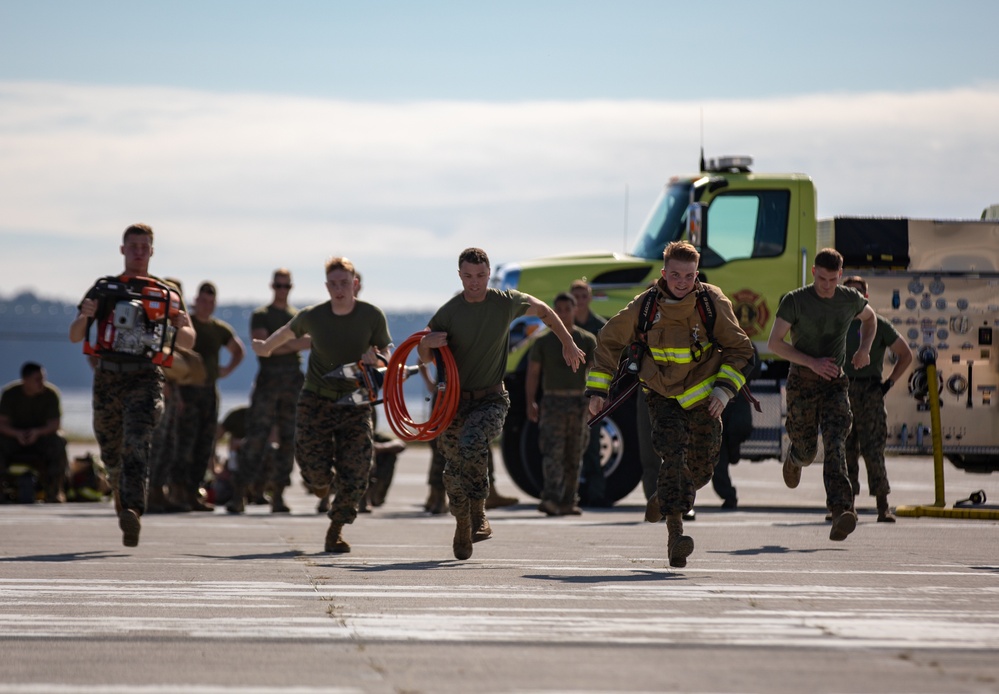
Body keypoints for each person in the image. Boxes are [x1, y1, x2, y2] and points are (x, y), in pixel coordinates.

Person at [586, 241, 754, 568]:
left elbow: (741, 351)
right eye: (675, 274)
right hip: (661, 395)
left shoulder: (711, 302)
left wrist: (723, 392)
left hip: (705, 399)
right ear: (663, 273)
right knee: (672, 456)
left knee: (703, 468)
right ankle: (676, 536)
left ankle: (663, 497)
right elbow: (609, 340)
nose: (681, 282)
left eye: (689, 275)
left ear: (697, 273)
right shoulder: (646, 305)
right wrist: (598, 390)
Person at [417, 247, 586, 560]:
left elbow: (544, 310)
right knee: (453, 472)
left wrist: (568, 342)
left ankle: (479, 512)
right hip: (454, 401)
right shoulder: (449, 311)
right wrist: (426, 344)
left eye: (481, 276)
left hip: (493, 398)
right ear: (460, 275)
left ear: (488, 273)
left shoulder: (504, 302)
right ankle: (463, 522)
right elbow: (424, 355)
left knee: (471, 442)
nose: (475, 282)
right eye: (468, 276)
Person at [249, 257, 391, 553]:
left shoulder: (371, 315)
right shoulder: (313, 315)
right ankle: (320, 484)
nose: (339, 289)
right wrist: (265, 348)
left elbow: (385, 353)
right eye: (334, 284)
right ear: (327, 286)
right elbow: (288, 332)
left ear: (355, 284)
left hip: (355, 401)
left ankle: (336, 529)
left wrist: (376, 359)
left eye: (345, 283)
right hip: (316, 401)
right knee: (316, 473)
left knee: (358, 470)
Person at [69, 223, 196, 547]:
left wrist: (181, 323)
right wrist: (85, 316)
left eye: (145, 246)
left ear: (151, 251)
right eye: (133, 246)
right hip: (109, 377)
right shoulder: (105, 288)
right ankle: (116, 487)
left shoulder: (165, 292)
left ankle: (133, 511)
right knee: (111, 449)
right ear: (123, 249)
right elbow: (75, 335)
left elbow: (188, 340)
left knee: (137, 442)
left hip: (145, 376)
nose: (139, 251)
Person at [767, 248, 876, 542]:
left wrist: (863, 349)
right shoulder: (795, 301)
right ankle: (795, 457)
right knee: (807, 449)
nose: (826, 285)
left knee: (836, 442)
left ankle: (841, 510)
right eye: (821, 278)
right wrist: (811, 361)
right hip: (802, 382)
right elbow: (775, 343)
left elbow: (871, 318)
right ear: (813, 272)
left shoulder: (849, 299)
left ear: (839, 276)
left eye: (832, 279)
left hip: (834, 383)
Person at [228, 269, 310, 514]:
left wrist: (281, 344)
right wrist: (297, 343)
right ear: (271, 286)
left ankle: (278, 495)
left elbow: (279, 345)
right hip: (268, 381)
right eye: (278, 285)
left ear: (291, 287)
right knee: (256, 437)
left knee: (289, 439)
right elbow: (265, 348)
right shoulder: (261, 315)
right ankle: (239, 493)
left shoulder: (297, 316)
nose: (281, 290)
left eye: (285, 286)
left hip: (293, 382)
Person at [842, 275, 913, 522]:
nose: (854, 296)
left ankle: (883, 506)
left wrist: (889, 384)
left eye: (859, 293)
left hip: (870, 393)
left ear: (866, 297)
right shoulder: (835, 323)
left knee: (873, 450)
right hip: (841, 392)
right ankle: (845, 506)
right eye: (848, 291)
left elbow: (905, 354)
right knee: (844, 450)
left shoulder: (878, 325)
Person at [175, 282, 244, 512]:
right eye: (202, 301)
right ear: (195, 301)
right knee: (184, 442)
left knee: (205, 444)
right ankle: (177, 491)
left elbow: (238, 350)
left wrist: (226, 370)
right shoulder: (188, 325)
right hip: (186, 390)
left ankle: (193, 492)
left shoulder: (219, 329)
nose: (206, 305)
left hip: (209, 391)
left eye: (211, 302)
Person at [526, 292, 597, 516]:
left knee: (575, 453)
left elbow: (596, 372)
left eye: (568, 309)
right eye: (559, 310)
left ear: (575, 310)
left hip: (578, 402)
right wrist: (531, 402)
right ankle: (551, 498)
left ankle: (568, 500)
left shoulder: (586, 340)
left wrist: (596, 399)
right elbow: (533, 374)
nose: (564, 314)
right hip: (553, 401)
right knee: (552, 452)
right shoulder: (543, 341)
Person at [0, 362, 69, 503]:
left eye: (43, 378)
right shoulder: (10, 394)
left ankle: (54, 492)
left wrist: (37, 432)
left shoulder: (50, 394)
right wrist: (17, 434)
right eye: (37, 379)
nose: (42, 383)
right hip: (14, 438)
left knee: (58, 441)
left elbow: (55, 424)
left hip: (41, 438)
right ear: (26, 379)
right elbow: (2, 423)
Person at [570, 279, 610, 507]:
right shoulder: (563, 327)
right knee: (567, 448)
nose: (580, 301)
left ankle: (596, 494)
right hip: (567, 395)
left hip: (592, 394)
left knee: (593, 446)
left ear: (590, 298)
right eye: (575, 297)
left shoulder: (600, 327)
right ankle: (570, 495)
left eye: (584, 296)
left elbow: (608, 361)